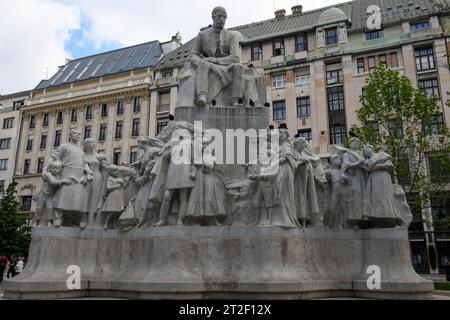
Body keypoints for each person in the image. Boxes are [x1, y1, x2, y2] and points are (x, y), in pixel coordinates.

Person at [178, 6, 245, 107]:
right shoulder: (202, 35)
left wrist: (215, 60)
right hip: (207, 64)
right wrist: (201, 61)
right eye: (219, 16)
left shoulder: (232, 36)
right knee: (203, 64)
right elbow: (193, 55)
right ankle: (202, 96)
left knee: (239, 67)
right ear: (213, 17)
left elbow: (235, 57)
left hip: (225, 65)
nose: (222, 19)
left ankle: (235, 100)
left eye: (224, 17)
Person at [51, 129, 92, 227]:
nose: (77, 135)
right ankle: (58, 217)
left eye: (78, 134)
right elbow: (54, 158)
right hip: (66, 173)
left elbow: (85, 163)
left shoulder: (81, 149)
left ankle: (80, 218)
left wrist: (88, 172)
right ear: (70, 135)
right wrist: (46, 170)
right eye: (74, 133)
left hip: (80, 175)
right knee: (63, 196)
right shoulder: (64, 146)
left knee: (79, 198)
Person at [362, 145, 403, 227]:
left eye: (367, 148)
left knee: (386, 196)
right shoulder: (367, 161)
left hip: (383, 176)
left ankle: (392, 220)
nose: (365, 150)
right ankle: (379, 221)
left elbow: (390, 165)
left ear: (371, 148)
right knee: (376, 198)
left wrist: (377, 166)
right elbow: (368, 170)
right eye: (364, 150)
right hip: (373, 178)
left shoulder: (381, 154)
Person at [34, 161, 72, 227]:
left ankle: (49, 221)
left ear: (60, 170)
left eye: (57, 168)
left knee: (50, 208)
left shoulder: (60, 176)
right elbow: (53, 182)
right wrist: (63, 181)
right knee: (39, 208)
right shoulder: (48, 174)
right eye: (53, 168)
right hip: (42, 193)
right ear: (50, 168)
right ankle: (37, 221)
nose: (54, 169)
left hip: (50, 195)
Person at [83, 138, 105, 228]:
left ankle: (93, 220)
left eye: (93, 142)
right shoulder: (83, 156)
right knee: (86, 197)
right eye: (90, 142)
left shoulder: (98, 156)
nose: (93, 144)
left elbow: (104, 168)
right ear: (86, 145)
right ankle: (84, 217)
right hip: (87, 178)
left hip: (98, 177)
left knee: (96, 198)